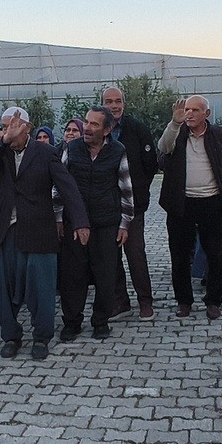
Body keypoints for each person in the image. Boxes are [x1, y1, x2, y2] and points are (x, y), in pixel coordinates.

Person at [0, 107, 90, 360]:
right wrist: (4, 140)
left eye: (15, 125)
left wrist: (81, 222)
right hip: (3, 230)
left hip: (38, 229)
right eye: (5, 125)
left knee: (42, 288)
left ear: (27, 127)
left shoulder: (47, 153)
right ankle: (11, 335)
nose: (9, 129)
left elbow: (68, 187)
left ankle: (41, 337)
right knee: (2, 288)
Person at [56, 106, 133, 342]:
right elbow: (60, 183)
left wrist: (125, 223)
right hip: (74, 222)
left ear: (107, 129)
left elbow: (126, 188)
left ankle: (100, 321)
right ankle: (72, 323)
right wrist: (58, 216)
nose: (87, 128)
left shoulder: (118, 151)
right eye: (87, 123)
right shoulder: (72, 148)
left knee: (106, 275)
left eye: (94, 124)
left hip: (106, 223)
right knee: (72, 275)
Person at [159, 95, 222, 320]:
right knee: (179, 255)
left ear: (206, 114)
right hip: (181, 203)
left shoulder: (218, 135)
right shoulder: (177, 130)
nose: (189, 113)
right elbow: (163, 147)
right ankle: (184, 301)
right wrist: (174, 122)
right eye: (186, 109)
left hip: (211, 201)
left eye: (194, 110)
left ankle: (213, 301)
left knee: (215, 254)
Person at [102, 87, 158, 321]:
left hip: (133, 206)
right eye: (109, 101)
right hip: (105, 207)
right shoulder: (97, 130)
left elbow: (150, 166)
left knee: (135, 254)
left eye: (118, 101)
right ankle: (120, 302)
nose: (114, 106)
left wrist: (139, 194)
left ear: (124, 103)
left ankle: (145, 301)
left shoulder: (138, 129)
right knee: (111, 258)